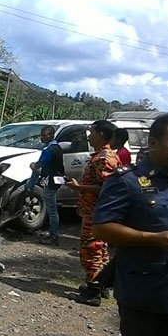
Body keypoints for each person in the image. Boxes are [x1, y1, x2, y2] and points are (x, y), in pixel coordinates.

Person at [94, 114, 168, 336]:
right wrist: (152, 238)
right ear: (153, 143)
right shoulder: (126, 181)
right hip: (146, 298)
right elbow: (102, 227)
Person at [65, 120, 120, 306]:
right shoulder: (104, 155)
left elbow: (105, 186)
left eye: (92, 133)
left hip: (96, 212)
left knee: (91, 250)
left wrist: (78, 187)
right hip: (96, 211)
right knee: (100, 250)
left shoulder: (104, 158)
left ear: (101, 135)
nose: (89, 136)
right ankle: (101, 285)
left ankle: (93, 291)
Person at [27, 126, 64, 246]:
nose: (41, 137)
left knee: (52, 210)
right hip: (56, 179)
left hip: (49, 181)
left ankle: (54, 236)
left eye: (43, 135)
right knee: (52, 208)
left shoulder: (49, 150)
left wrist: (33, 166)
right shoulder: (57, 147)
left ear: (50, 135)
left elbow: (38, 165)